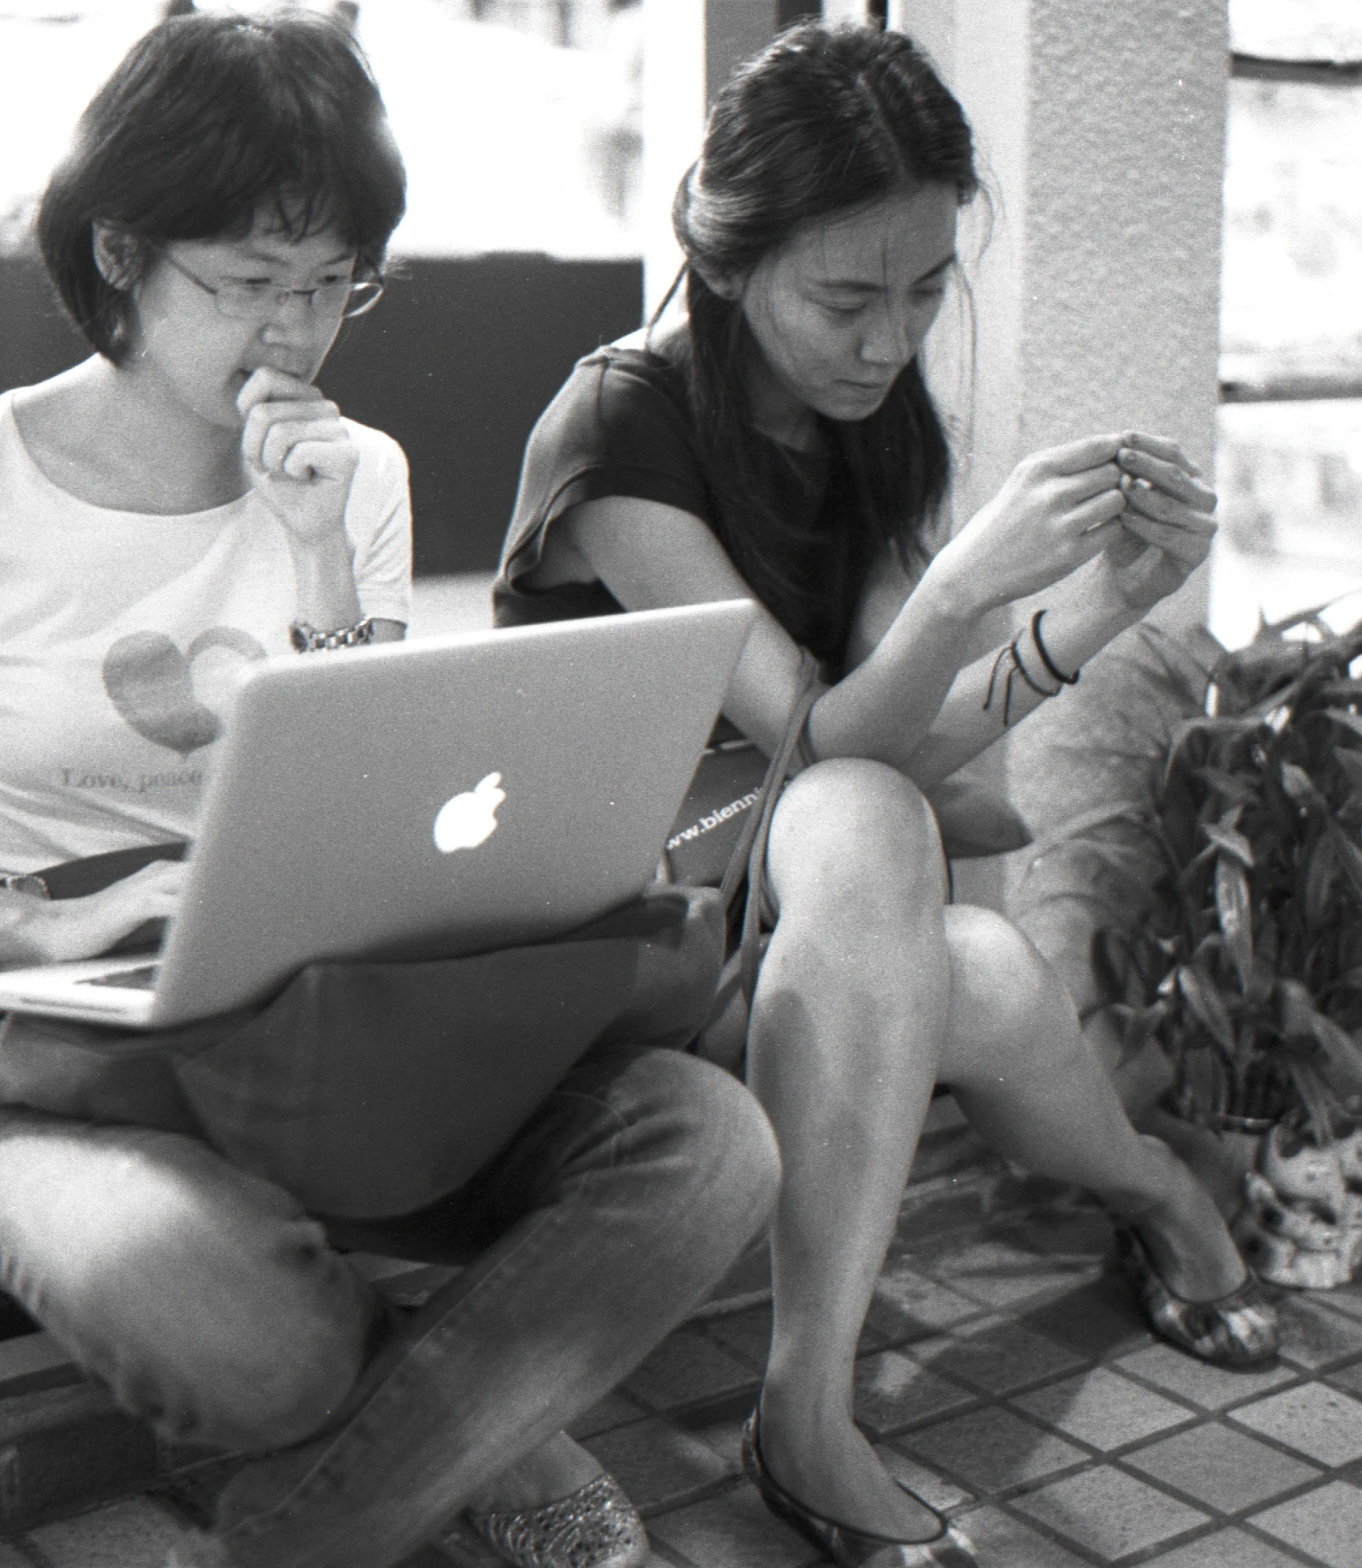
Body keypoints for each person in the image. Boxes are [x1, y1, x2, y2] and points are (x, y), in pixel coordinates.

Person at [0, 15, 776, 1568]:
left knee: (710, 1147)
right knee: (240, 1334)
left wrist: (310, 549)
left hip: (327, 1034)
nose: (293, 332)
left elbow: (386, 792)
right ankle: (481, 1418)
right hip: (66, 1056)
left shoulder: (358, 475)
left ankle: (296, 1537)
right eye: (246, 282)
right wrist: (24, 927)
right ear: (122, 252)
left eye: (332, 283)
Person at [498, 23, 1276, 1568]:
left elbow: (905, 759)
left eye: (924, 292)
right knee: (890, 859)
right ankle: (847, 1387)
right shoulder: (620, 429)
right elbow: (816, 745)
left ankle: (1092, 1222)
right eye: (845, 297)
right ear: (721, 260)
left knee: (962, 947)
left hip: (790, 930)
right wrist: (969, 584)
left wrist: (1096, 608)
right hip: (606, 950)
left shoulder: (862, 425)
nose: (886, 340)